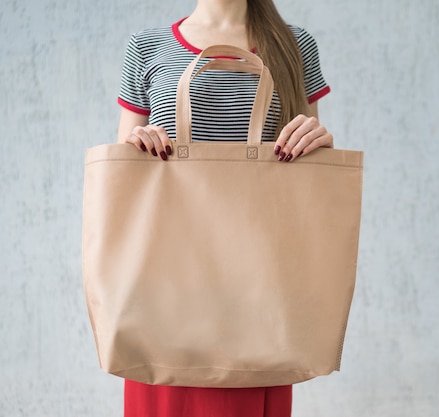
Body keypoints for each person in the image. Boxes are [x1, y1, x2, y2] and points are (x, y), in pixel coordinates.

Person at [115, 0, 333, 416]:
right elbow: (125, 172)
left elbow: (307, 175)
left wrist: (315, 138)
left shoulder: (294, 45)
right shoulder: (146, 47)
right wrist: (138, 143)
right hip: (166, 286)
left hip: (257, 289)